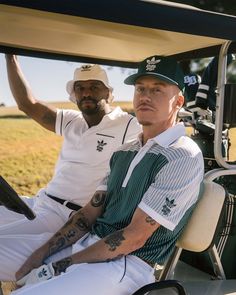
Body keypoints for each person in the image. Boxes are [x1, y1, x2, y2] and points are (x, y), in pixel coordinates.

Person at [0, 55, 204, 295]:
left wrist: (58, 266)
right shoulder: (125, 151)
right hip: (86, 245)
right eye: (140, 89)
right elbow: (87, 214)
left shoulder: (182, 156)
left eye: (157, 90)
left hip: (127, 264)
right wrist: (39, 256)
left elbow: (135, 237)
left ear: (178, 100)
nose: (145, 96)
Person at [0, 55, 141, 233]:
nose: (86, 93)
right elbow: (28, 104)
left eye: (94, 87)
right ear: (74, 95)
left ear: (108, 93)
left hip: (67, 215)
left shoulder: (128, 125)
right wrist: (11, 57)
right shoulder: (70, 120)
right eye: (80, 88)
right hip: (40, 202)